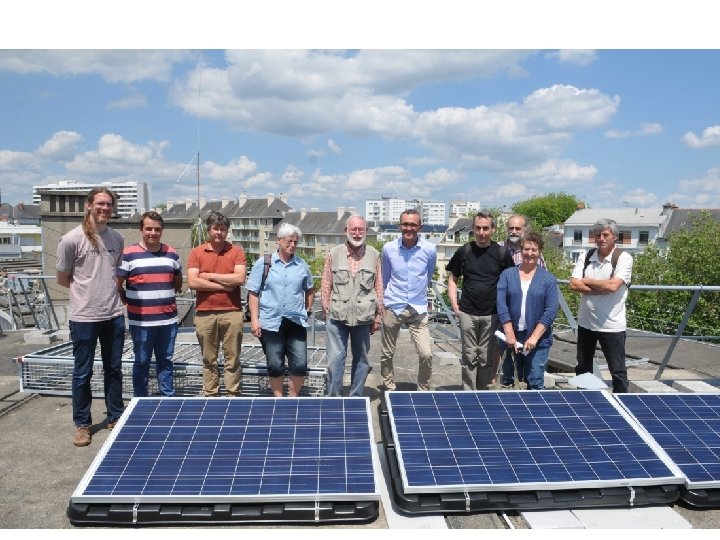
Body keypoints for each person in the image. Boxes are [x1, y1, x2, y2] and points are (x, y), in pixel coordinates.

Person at [56, 187, 125, 447]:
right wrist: (86, 295)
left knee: (114, 369)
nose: (105, 208)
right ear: (88, 205)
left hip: (113, 314)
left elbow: (114, 273)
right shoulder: (71, 239)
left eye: (109, 204)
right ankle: (83, 425)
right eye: (100, 204)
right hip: (84, 316)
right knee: (82, 373)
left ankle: (115, 416)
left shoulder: (117, 238)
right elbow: (63, 278)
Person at [116, 211, 183, 398]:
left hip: (168, 321)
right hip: (141, 322)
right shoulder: (128, 254)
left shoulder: (172, 253)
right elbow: (117, 284)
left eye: (157, 229)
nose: (153, 233)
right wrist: (127, 301)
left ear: (162, 230)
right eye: (149, 229)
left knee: (166, 361)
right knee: (142, 361)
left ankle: (167, 396)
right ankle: (140, 399)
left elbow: (177, 281)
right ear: (141, 229)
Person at [446, 212, 515, 390]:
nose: (482, 232)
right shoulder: (465, 251)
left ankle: (482, 392)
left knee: (486, 356)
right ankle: (468, 392)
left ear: (493, 229)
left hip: (492, 314)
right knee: (469, 355)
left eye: (486, 228)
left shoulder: (501, 253)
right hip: (467, 312)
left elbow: (511, 282)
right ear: (473, 229)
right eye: (478, 228)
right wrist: (454, 304)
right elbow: (453, 278)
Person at [247, 223, 315, 397]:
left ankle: (292, 399)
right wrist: (255, 320)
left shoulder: (302, 265)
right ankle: (279, 399)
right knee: (275, 364)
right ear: (278, 240)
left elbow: (309, 288)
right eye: (289, 241)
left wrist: (307, 309)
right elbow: (253, 293)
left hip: (296, 321)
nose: (292, 245)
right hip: (271, 322)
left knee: (299, 364)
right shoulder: (264, 263)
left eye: (295, 242)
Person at [321, 215, 383, 397]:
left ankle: (356, 396)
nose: (357, 233)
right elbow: (326, 284)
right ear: (346, 231)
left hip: (364, 317)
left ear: (366, 231)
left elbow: (378, 287)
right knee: (335, 359)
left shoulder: (374, 255)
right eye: (353, 229)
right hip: (337, 316)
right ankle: (335, 397)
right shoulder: (334, 254)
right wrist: (327, 311)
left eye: (361, 230)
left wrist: (378, 316)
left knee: (362, 359)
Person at [569, 218, 633, 393]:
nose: (601, 238)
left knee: (617, 370)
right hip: (586, 323)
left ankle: (622, 402)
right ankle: (583, 400)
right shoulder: (587, 256)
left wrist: (589, 281)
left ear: (614, 237)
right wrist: (603, 287)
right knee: (583, 368)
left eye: (606, 234)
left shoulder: (623, 258)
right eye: (598, 235)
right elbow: (574, 284)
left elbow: (613, 286)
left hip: (611, 326)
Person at [187, 211, 247, 397]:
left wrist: (210, 276)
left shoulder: (236, 251)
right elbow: (193, 282)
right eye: (215, 229)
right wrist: (225, 286)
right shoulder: (197, 252)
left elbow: (240, 278)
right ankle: (211, 395)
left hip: (232, 312)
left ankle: (232, 394)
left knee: (233, 358)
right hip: (205, 312)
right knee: (209, 359)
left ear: (227, 231)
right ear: (208, 230)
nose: (219, 233)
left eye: (223, 229)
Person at [380, 209, 437, 391]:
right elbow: (385, 277)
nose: (409, 228)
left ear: (420, 227)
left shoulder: (429, 249)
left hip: (418, 308)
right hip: (393, 305)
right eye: (405, 224)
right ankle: (389, 387)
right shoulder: (389, 249)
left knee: (426, 353)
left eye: (413, 224)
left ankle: (423, 389)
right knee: (386, 353)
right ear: (399, 226)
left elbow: (428, 276)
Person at [496, 232, 558, 390]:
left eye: (534, 250)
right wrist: (509, 333)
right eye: (526, 249)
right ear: (521, 250)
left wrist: (534, 337)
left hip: (538, 340)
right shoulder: (507, 275)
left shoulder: (548, 279)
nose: (530, 253)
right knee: (509, 380)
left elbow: (550, 311)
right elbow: (501, 304)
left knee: (535, 379)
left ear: (540, 252)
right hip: (511, 337)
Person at [499, 213, 545, 387]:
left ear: (525, 230)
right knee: (507, 374)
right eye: (511, 228)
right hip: (506, 322)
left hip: (532, 326)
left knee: (533, 376)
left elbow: (544, 287)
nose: (514, 231)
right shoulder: (499, 249)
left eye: (518, 228)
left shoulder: (536, 256)